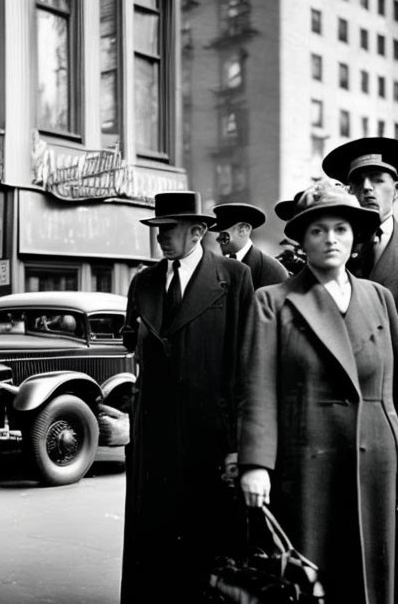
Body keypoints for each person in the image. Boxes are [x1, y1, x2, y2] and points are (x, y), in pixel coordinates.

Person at [238, 178, 398, 604]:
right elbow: (257, 388)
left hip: (375, 458)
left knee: (372, 572)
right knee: (312, 576)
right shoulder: (272, 301)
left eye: (340, 229)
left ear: (354, 240)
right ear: (302, 240)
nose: (330, 239)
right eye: (317, 230)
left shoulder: (379, 297)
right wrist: (255, 464)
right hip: (306, 461)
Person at [120, 191, 255, 603]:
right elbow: (131, 340)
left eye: (170, 229)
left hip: (208, 436)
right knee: (154, 545)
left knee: (208, 547)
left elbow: (245, 362)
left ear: (198, 232)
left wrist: (238, 445)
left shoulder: (233, 278)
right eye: (158, 229)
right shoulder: (143, 281)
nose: (161, 237)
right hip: (154, 437)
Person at [322, 137, 398, 328]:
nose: (367, 187)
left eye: (377, 179)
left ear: (397, 189)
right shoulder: (329, 245)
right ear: (349, 192)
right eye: (358, 182)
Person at [211, 202, 290, 288]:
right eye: (218, 235)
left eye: (224, 236)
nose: (218, 240)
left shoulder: (273, 270)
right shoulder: (216, 265)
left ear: (243, 230)